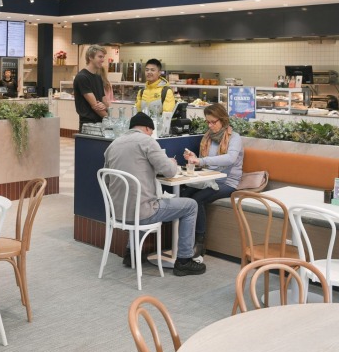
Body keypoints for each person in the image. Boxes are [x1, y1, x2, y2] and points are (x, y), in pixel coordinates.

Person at [103, 112, 206, 276]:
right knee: (191, 205)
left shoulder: (113, 145)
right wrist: (171, 162)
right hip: (142, 213)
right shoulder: (147, 141)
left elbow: (108, 180)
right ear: (146, 128)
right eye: (151, 131)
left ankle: (131, 254)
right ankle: (184, 261)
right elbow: (170, 171)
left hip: (117, 213)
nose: (151, 135)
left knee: (138, 201)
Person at [181, 103, 244, 256]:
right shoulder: (208, 138)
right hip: (208, 179)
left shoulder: (234, 138)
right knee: (183, 195)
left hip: (228, 183)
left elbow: (230, 158)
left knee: (197, 199)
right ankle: (184, 240)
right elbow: (204, 161)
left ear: (223, 120)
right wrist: (194, 158)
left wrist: (202, 161)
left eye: (213, 122)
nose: (210, 126)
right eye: (207, 122)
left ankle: (200, 242)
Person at [73, 45, 108, 127]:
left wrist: (104, 106)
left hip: (101, 122)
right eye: (100, 57)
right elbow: (95, 106)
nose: (103, 60)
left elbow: (104, 100)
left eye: (103, 57)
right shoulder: (82, 77)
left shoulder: (98, 77)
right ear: (90, 57)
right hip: (88, 124)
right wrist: (111, 120)